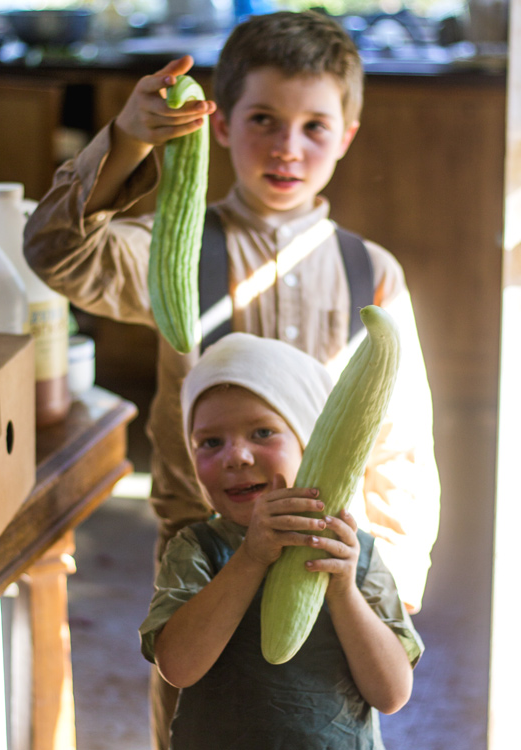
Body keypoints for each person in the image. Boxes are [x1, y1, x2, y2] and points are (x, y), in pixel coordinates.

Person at [23, 10, 440, 747]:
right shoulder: (172, 248)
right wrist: (128, 139)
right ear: (221, 125)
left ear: (346, 136)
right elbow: (57, 249)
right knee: (194, 722)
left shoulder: (369, 271)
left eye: (315, 126)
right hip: (203, 553)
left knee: (322, 723)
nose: (287, 146)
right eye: (263, 119)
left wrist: (393, 580)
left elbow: (400, 441)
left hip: (324, 563)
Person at [139, 332, 424, 749]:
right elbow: (177, 667)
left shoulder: (353, 555)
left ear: (310, 446)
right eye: (210, 442)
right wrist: (250, 558)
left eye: (262, 433)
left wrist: (344, 591)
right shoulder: (195, 549)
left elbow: (393, 693)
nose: (237, 455)